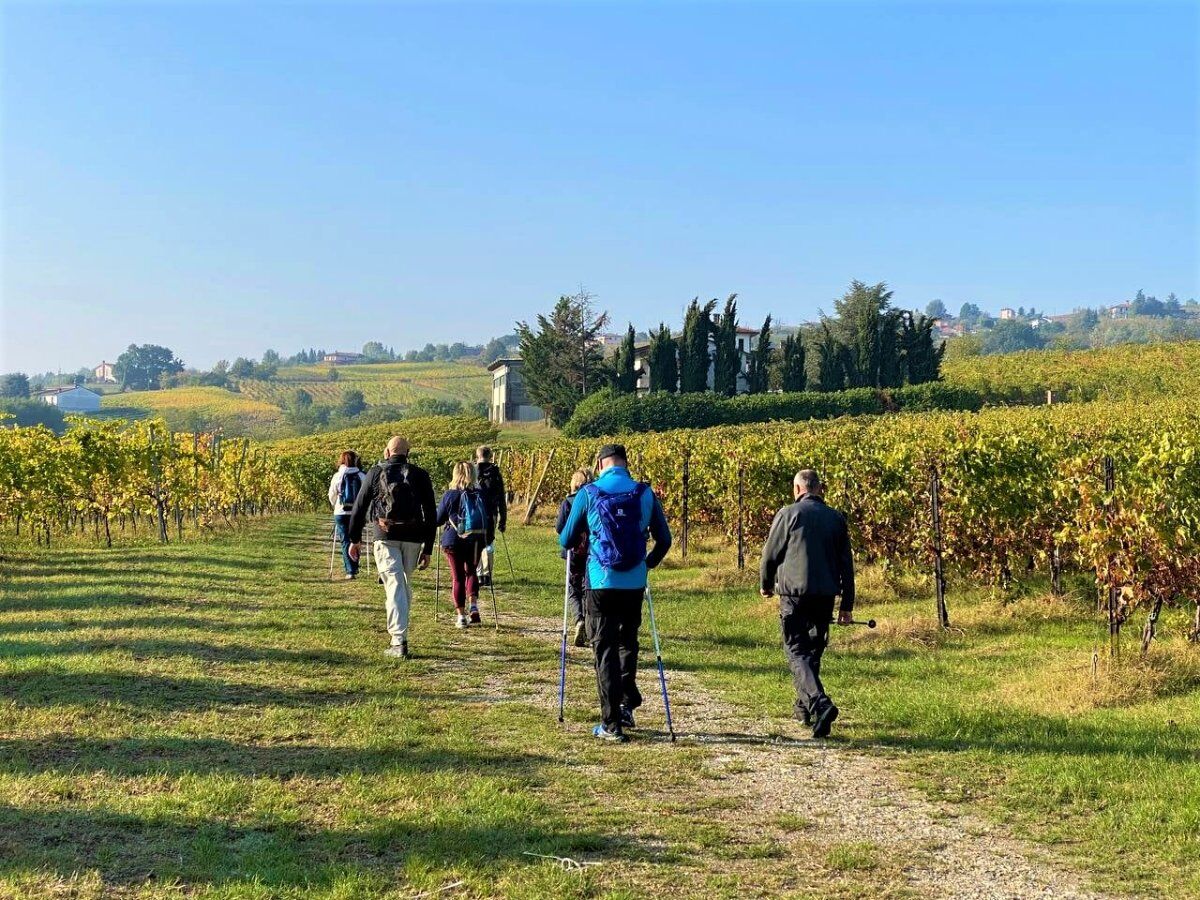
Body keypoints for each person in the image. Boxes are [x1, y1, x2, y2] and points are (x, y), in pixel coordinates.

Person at [559, 444, 672, 743]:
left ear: (599, 464)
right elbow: (665, 539)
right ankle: (625, 707)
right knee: (627, 642)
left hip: (600, 581)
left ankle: (610, 723)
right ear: (625, 463)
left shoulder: (589, 493)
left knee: (604, 648)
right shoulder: (644, 493)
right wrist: (647, 565)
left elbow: (566, 537)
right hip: (634, 581)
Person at [759, 468, 855, 738]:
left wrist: (766, 584)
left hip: (794, 594)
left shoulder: (788, 514)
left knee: (796, 650)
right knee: (813, 650)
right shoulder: (836, 518)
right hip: (825, 594)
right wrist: (847, 604)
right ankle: (804, 707)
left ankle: (819, 701)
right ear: (819, 488)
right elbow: (847, 565)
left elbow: (770, 554)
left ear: (798, 489)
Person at [346, 436, 437, 659]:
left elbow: (359, 506)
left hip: (385, 535)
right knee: (403, 584)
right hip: (413, 537)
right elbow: (431, 513)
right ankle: (400, 635)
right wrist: (428, 548)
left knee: (395, 585)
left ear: (387, 452)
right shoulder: (420, 474)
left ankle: (398, 641)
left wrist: (354, 539)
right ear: (408, 453)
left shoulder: (376, 472)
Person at [436, 461, 492, 628]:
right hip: (476, 540)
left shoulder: (450, 495)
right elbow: (488, 518)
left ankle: (461, 616)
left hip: (453, 540)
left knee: (458, 577)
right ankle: (473, 605)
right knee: (471, 572)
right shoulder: (481, 494)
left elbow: (438, 520)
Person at [555, 468, 592, 647]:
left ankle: (578, 620)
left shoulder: (568, 502)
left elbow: (559, 527)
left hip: (572, 551)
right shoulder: (594, 501)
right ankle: (589, 624)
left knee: (573, 588)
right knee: (588, 588)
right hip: (590, 551)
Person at [327, 450, 365, 579]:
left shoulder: (337, 476)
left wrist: (335, 505)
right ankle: (355, 565)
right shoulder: (361, 475)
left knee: (345, 540)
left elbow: (332, 495)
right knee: (356, 539)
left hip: (341, 512)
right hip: (358, 512)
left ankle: (350, 571)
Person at [474, 446, 507, 586]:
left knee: (476, 541)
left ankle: (478, 573)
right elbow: (501, 497)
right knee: (489, 542)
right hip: (491, 513)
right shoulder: (495, 472)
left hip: (475, 513)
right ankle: (487, 575)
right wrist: (503, 519)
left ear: (477, 455)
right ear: (490, 456)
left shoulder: (472, 471)